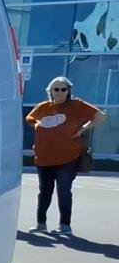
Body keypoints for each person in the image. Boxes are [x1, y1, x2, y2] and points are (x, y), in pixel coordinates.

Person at [26, 77, 103, 236]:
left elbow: (100, 116)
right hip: (44, 158)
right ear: (50, 91)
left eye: (63, 89)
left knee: (64, 191)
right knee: (44, 191)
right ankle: (41, 224)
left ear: (68, 91)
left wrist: (82, 129)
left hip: (68, 158)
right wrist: (38, 126)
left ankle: (65, 225)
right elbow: (29, 118)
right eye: (56, 89)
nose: (59, 92)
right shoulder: (43, 107)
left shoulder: (76, 105)